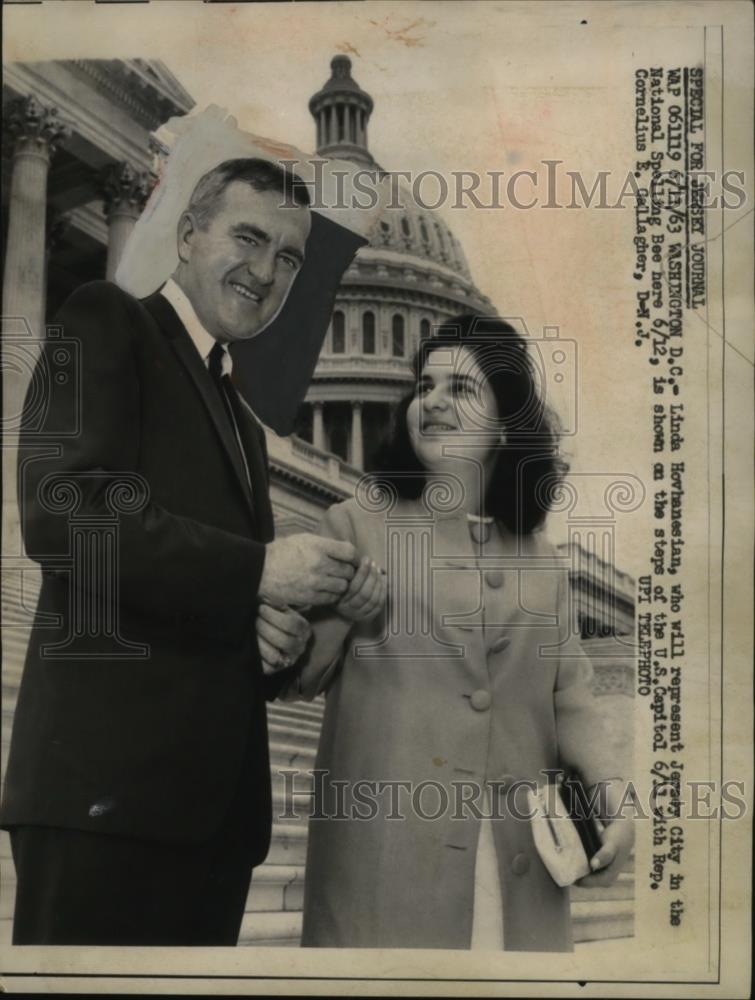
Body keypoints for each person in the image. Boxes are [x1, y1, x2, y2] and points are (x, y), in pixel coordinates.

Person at [1, 157, 361, 946]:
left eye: (289, 257)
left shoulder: (237, 413)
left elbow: (210, 592)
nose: (265, 271)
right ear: (190, 236)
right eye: (248, 236)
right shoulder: (100, 317)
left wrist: (270, 634)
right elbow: (63, 515)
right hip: (105, 805)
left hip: (212, 823)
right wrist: (258, 570)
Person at [274, 314, 634, 951]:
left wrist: (614, 798)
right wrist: (350, 610)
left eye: (461, 389)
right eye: (425, 386)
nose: (433, 402)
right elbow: (300, 676)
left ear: (504, 425)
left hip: (519, 874)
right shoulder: (355, 524)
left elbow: (571, 702)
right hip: (385, 873)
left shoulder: (542, 562)